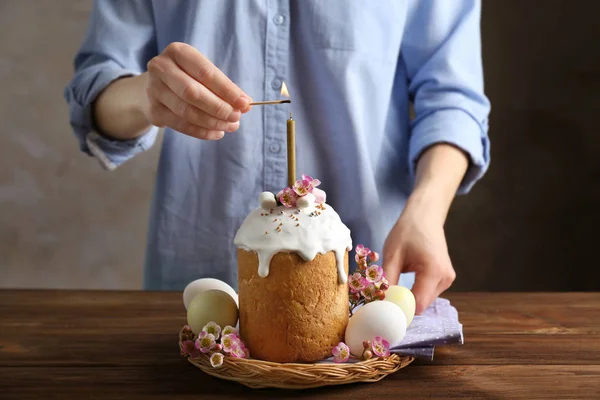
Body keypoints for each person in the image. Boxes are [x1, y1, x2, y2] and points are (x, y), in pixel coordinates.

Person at [64, 0, 490, 315]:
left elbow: (453, 98)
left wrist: (427, 210)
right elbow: (95, 88)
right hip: (199, 281)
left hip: (370, 282)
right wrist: (147, 96)